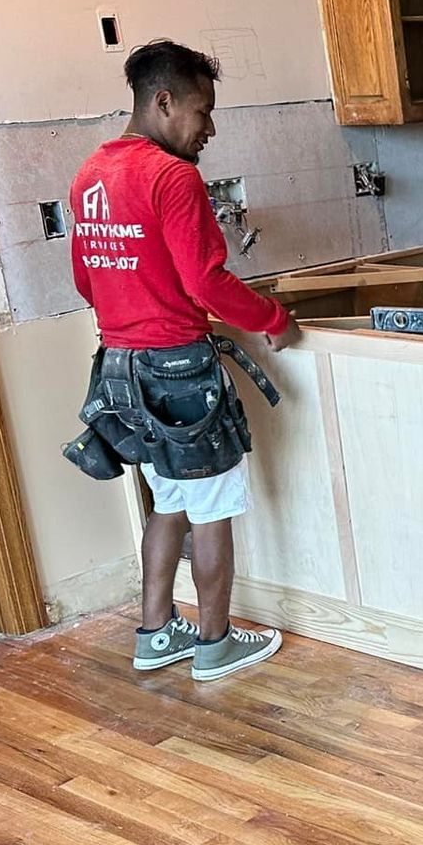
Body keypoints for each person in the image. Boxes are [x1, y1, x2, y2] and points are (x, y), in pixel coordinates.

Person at [69, 39, 297, 683]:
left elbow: (88, 280)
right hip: (178, 370)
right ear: (164, 103)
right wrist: (272, 319)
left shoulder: (91, 175)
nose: (210, 128)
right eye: (204, 111)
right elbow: (206, 282)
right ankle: (215, 643)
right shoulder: (172, 177)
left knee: (167, 502)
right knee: (212, 509)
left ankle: (154, 635)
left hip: (120, 367)